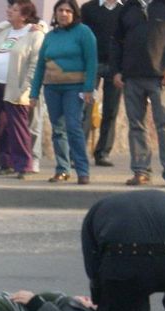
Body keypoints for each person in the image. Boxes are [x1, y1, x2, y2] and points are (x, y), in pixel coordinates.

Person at [112, 0, 165, 189]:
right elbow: (116, 42)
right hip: (132, 77)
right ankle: (141, 171)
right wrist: (116, 71)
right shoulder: (127, 7)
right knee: (136, 125)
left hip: (160, 77)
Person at [29, 0, 97, 185]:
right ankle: (62, 169)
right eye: (60, 10)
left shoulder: (84, 33)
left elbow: (91, 62)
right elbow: (40, 66)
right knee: (58, 130)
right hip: (52, 88)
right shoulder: (50, 36)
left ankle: (82, 171)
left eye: (68, 10)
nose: (64, 14)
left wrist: (88, 88)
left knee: (73, 127)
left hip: (75, 88)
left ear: (74, 13)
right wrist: (34, 93)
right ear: (55, 13)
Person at [0, 0, 44, 179]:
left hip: (16, 87)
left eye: (15, 9)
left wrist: (26, 87)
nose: (9, 11)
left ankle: (23, 164)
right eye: (10, 8)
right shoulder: (6, 31)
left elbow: (35, 64)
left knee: (18, 127)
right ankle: (6, 163)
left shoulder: (34, 34)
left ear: (25, 15)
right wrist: (11, 20)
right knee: (2, 125)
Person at [81, 0, 124, 167]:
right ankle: (78, 151)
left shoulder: (126, 8)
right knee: (85, 107)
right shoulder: (88, 8)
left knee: (111, 110)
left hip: (116, 67)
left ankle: (103, 152)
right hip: (92, 64)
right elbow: (81, 35)